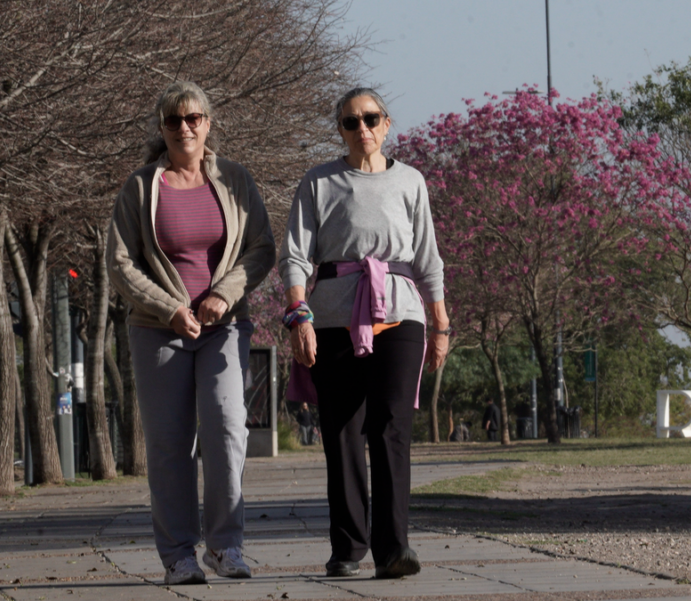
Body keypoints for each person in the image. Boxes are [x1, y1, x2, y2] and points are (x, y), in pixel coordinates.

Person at [107, 81, 276, 586]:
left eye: (194, 118)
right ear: (161, 128)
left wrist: (224, 293)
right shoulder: (141, 187)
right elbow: (120, 264)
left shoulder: (235, 180)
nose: (185, 128)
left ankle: (226, 547)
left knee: (227, 426)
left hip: (225, 326)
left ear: (208, 123)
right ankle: (179, 555)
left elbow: (261, 248)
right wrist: (169, 308)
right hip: (160, 331)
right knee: (169, 442)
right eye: (174, 120)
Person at [279, 87, 449, 579]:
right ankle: (347, 549)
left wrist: (441, 323)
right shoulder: (318, 182)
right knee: (343, 432)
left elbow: (428, 259)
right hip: (333, 316)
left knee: (392, 428)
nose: (363, 129)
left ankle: (394, 549)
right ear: (340, 130)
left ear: (387, 123)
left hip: (401, 315)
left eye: (371, 119)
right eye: (351, 122)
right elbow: (295, 255)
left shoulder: (411, 181)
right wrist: (299, 316)